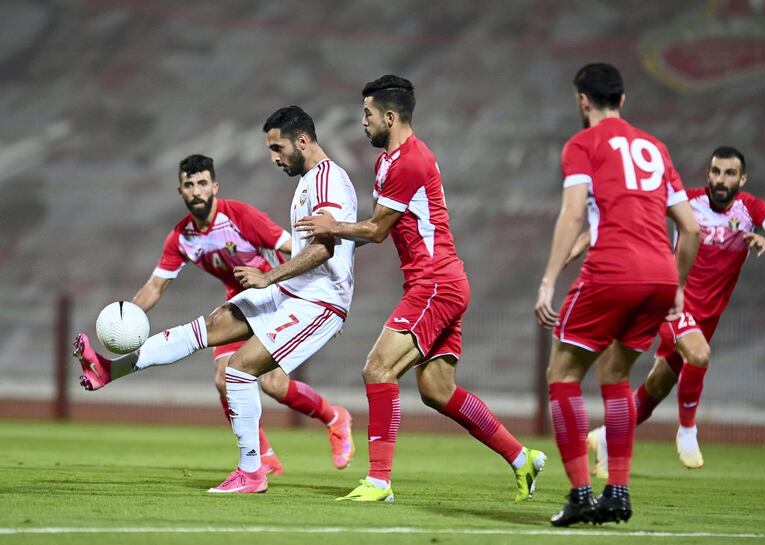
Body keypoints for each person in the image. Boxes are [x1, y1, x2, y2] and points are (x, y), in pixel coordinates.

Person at [74, 106, 358, 493]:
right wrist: (130, 319)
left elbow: (322, 249)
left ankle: (255, 470)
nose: (274, 158)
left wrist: (267, 276)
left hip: (317, 302)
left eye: (277, 148)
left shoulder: (327, 182)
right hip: (288, 290)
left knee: (242, 374)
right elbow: (156, 286)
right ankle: (110, 370)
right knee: (207, 332)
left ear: (302, 140)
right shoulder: (306, 182)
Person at [295, 74, 547, 504]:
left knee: (377, 368)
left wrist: (332, 227)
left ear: (390, 116)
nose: (363, 122)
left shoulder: (412, 161)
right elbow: (377, 229)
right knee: (437, 390)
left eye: (368, 114)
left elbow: (375, 230)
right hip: (438, 282)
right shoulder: (387, 163)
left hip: (436, 283)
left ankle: (378, 481)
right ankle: (522, 457)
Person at [533, 63, 700, 526]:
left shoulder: (583, 145)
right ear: (622, 101)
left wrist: (549, 278)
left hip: (613, 269)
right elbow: (689, 228)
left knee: (563, 374)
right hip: (659, 275)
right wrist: (679, 285)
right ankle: (619, 493)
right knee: (616, 373)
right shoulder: (655, 147)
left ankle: (581, 493)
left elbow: (572, 215)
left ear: (582, 100)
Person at [121, 153, 353, 476]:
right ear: (181, 192)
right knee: (223, 378)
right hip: (239, 302)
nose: (197, 191)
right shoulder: (182, 237)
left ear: (215, 186)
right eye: (189, 185)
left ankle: (334, 418)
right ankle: (264, 456)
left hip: (276, 297)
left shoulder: (241, 216)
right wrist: (125, 321)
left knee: (273, 383)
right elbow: (155, 288)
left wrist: (320, 299)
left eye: (202, 183)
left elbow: (295, 247)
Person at [585, 146, 765, 476]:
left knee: (657, 389)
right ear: (708, 174)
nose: (720, 179)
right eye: (715, 172)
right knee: (699, 355)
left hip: (707, 317)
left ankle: (607, 438)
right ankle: (687, 432)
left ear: (742, 178)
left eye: (729, 173)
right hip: (672, 301)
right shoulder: (689, 203)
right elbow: (642, 210)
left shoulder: (751, 209)